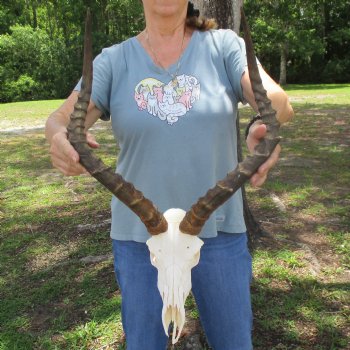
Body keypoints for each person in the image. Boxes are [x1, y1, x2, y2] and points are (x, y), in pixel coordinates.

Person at [45, 1, 294, 349]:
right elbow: (59, 120)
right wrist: (58, 137)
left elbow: (279, 103)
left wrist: (262, 122)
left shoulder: (223, 47)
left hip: (218, 232)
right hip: (141, 240)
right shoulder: (113, 61)